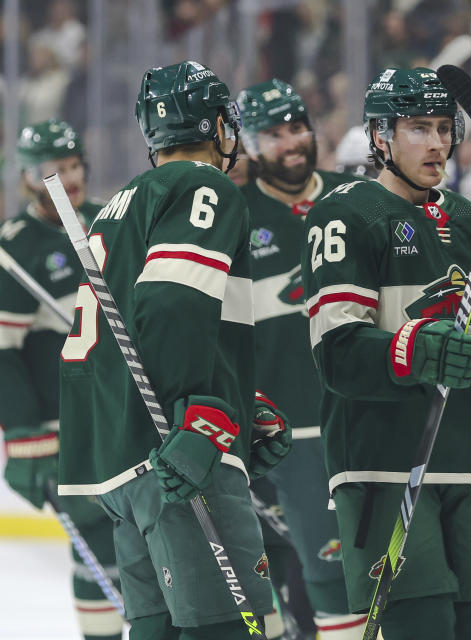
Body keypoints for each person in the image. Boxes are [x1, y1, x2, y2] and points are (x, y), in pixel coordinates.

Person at [300, 67, 471, 639]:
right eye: (418, 128)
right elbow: (337, 354)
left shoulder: (469, 220)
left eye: (445, 128)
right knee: (421, 626)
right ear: (380, 136)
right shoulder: (345, 214)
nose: (437, 143)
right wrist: (416, 347)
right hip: (385, 464)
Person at [57, 60, 288, 638]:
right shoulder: (203, 185)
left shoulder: (120, 204)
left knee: (157, 630)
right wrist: (202, 414)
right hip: (173, 455)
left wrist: (234, 397)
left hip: (122, 462)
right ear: (216, 124)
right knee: (226, 629)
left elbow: (130, 330)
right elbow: (170, 305)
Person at [236, 78, 367, 639]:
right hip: (285, 437)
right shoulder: (232, 219)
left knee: (384, 576)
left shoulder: (356, 199)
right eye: (272, 134)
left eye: (296, 128)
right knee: (321, 576)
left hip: (365, 422)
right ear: (249, 144)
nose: (289, 143)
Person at [0, 120, 123, 640]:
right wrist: (28, 441)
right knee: (94, 546)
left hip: (121, 410)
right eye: (54, 169)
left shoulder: (108, 221)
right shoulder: (16, 248)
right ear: (30, 176)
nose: (68, 178)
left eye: (73, 165)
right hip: (65, 426)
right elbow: (3, 353)